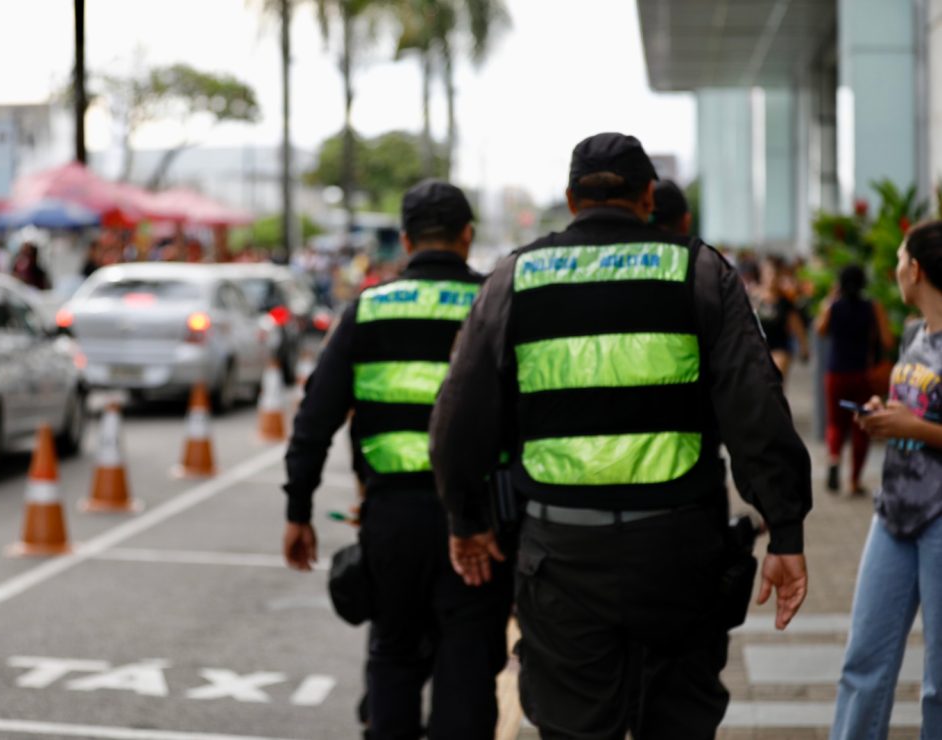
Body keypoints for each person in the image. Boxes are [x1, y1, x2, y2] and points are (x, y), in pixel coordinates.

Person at [429, 133, 812, 738]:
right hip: (679, 554)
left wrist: (466, 520)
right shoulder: (700, 270)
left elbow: (457, 421)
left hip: (561, 559)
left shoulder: (516, 278)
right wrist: (785, 529)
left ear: (570, 198)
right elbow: (756, 408)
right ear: (647, 196)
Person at [282, 180, 513, 740]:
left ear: (405, 240)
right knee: (467, 668)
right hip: (481, 525)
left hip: (391, 518)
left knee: (393, 655)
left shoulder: (368, 309)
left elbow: (314, 420)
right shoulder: (498, 305)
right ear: (467, 236)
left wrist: (298, 510)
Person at [831, 221, 942, 738]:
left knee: (939, 682)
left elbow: (922, 423)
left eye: (900, 258)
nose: (896, 268)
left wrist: (914, 427)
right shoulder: (915, 334)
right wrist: (886, 414)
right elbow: (914, 405)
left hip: (940, 518)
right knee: (863, 661)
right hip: (894, 510)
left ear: (915, 269)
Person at [817, 265, 894, 495]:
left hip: (836, 372)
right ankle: (854, 482)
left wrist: (829, 301)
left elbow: (820, 330)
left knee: (835, 422)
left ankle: (833, 458)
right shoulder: (873, 307)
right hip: (863, 374)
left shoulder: (833, 307)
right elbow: (888, 341)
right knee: (861, 426)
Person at [754, 256, 810, 379]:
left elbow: (797, 325)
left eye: (775, 274)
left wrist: (804, 346)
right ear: (762, 275)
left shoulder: (785, 302)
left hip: (780, 347)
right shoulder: (753, 299)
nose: (772, 278)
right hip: (757, 349)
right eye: (769, 273)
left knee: (775, 381)